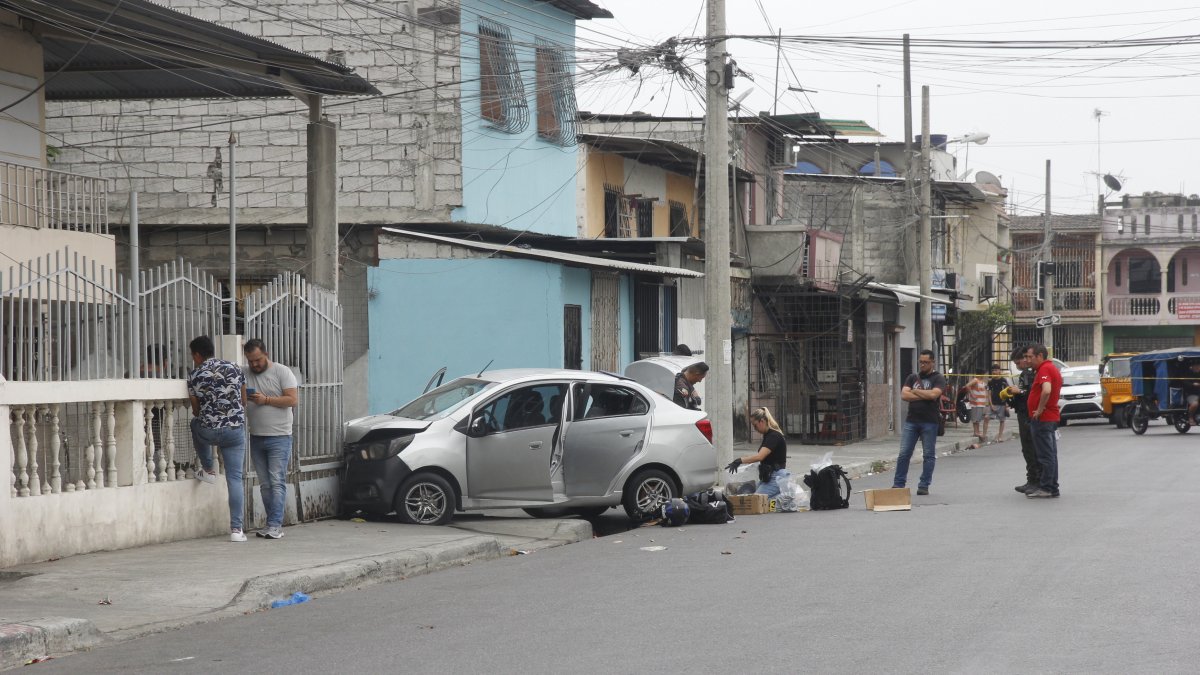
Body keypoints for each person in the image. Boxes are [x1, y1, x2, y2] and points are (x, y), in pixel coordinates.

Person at [187, 335, 249, 542]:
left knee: (194, 424)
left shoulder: (195, 375)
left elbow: (196, 410)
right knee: (235, 479)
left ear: (197, 354)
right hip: (234, 432)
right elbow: (244, 400)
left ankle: (208, 469)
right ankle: (236, 530)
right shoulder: (235, 367)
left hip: (209, 431)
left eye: (193, 356)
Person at [243, 339, 299, 540]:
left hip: (280, 437)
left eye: (257, 360)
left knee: (276, 481)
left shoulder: (282, 372)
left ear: (266, 354)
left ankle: (275, 525)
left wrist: (265, 400)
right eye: (250, 361)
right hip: (256, 436)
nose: (254, 364)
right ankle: (270, 524)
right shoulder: (244, 373)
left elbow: (292, 400)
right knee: (265, 484)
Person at [892, 349, 946, 496]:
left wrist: (915, 392)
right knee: (904, 453)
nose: (922, 365)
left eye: (926, 362)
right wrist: (925, 395)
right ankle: (898, 484)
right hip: (911, 421)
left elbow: (934, 394)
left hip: (930, 422)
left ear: (932, 362)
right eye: (921, 362)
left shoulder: (938, 378)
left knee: (928, 455)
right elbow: (904, 395)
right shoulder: (912, 377)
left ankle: (924, 485)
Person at [724, 407, 789, 498]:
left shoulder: (774, 436)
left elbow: (759, 457)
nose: (755, 428)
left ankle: (783, 497)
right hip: (768, 476)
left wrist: (740, 460)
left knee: (756, 500)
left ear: (762, 421)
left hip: (777, 477)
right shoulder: (768, 435)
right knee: (748, 495)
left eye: (755, 425)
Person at [1026, 344, 1063, 499]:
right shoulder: (1051, 368)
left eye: (1030, 357)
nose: (1028, 360)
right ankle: (1052, 487)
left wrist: (1040, 409)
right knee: (1050, 455)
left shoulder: (1045, 369)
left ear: (1040, 356)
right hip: (1049, 418)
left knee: (1045, 455)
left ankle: (1047, 487)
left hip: (1043, 419)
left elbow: (1046, 390)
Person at [1004, 346, 1040, 494]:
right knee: (1026, 449)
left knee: (1031, 449)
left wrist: (1020, 391)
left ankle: (1036, 481)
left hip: (1029, 415)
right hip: (1022, 412)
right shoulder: (1024, 374)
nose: (1018, 366)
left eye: (1019, 362)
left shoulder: (1032, 374)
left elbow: (1032, 393)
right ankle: (1031, 479)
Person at [986, 363, 1010, 443]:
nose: (994, 372)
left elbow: (1007, 392)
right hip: (993, 403)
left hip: (1002, 403)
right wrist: (991, 404)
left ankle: (1000, 437)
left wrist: (1007, 405)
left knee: (1002, 420)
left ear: (1000, 371)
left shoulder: (1003, 381)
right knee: (986, 417)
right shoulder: (990, 381)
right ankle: (984, 435)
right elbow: (989, 394)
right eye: (993, 370)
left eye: (996, 370)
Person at [966, 373, 990, 440]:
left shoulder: (983, 382)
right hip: (976, 402)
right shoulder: (975, 380)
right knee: (975, 418)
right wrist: (972, 394)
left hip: (981, 402)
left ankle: (977, 431)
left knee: (978, 418)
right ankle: (975, 432)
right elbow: (967, 386)